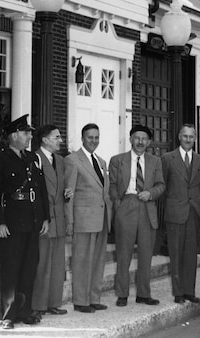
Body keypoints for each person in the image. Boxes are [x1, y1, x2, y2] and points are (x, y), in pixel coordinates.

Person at [0, 114, 49, 329]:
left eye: (30, 133)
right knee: (11, 268)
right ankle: (8, 315)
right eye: (25, 133)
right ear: (13, 135)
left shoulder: (33, 158)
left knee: (29, 267)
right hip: (11, 223)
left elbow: (41, 190)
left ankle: (25, 311)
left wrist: (45, 218)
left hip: (33, 221)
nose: (29, 136)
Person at [109, 125, 166, 306]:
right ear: (131, 139)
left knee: (145, 254)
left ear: (148, 142)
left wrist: (151, 193)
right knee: (123, 254)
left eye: (144, 139)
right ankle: (122, 294)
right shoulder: (118, 160)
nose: (140, 142)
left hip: (147, 208)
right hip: (126, 206)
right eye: (137, 138)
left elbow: (161, 185)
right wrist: (119, 205)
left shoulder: (155, 161)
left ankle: (143, 294)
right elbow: (111, 186)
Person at [64, 123, 112, 313]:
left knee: (98, 261)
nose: (94, 141)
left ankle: (94, 297)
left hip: (101, 219)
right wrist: (70, 221)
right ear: (82, 138)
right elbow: (70, 193)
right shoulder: (73, 160)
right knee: (82, 261)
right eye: (90, 137)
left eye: (97, 137)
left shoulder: (101, 161)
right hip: (83, 220)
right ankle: (81, 301)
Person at [161, 124, 200, 304]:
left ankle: (190, 291)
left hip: (193, 213)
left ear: (195, 138)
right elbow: (163, 187)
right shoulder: (167, 158)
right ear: (179, 137)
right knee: (176, 253)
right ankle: (178, 292)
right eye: (185, 136)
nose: (188, 140)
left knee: (190, 253)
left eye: (191, 137)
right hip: (175, 213)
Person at [31, 125, 69, 316]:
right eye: (56, 137)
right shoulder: (34, 158)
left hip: (59, 220)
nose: (60, 140)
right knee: (41, 264)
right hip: (44, 221)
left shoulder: (61, 161)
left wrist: (67, 193)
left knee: (57, 264)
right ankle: (38, 305)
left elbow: (59, 189)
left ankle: (53, 303)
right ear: (45, 140)